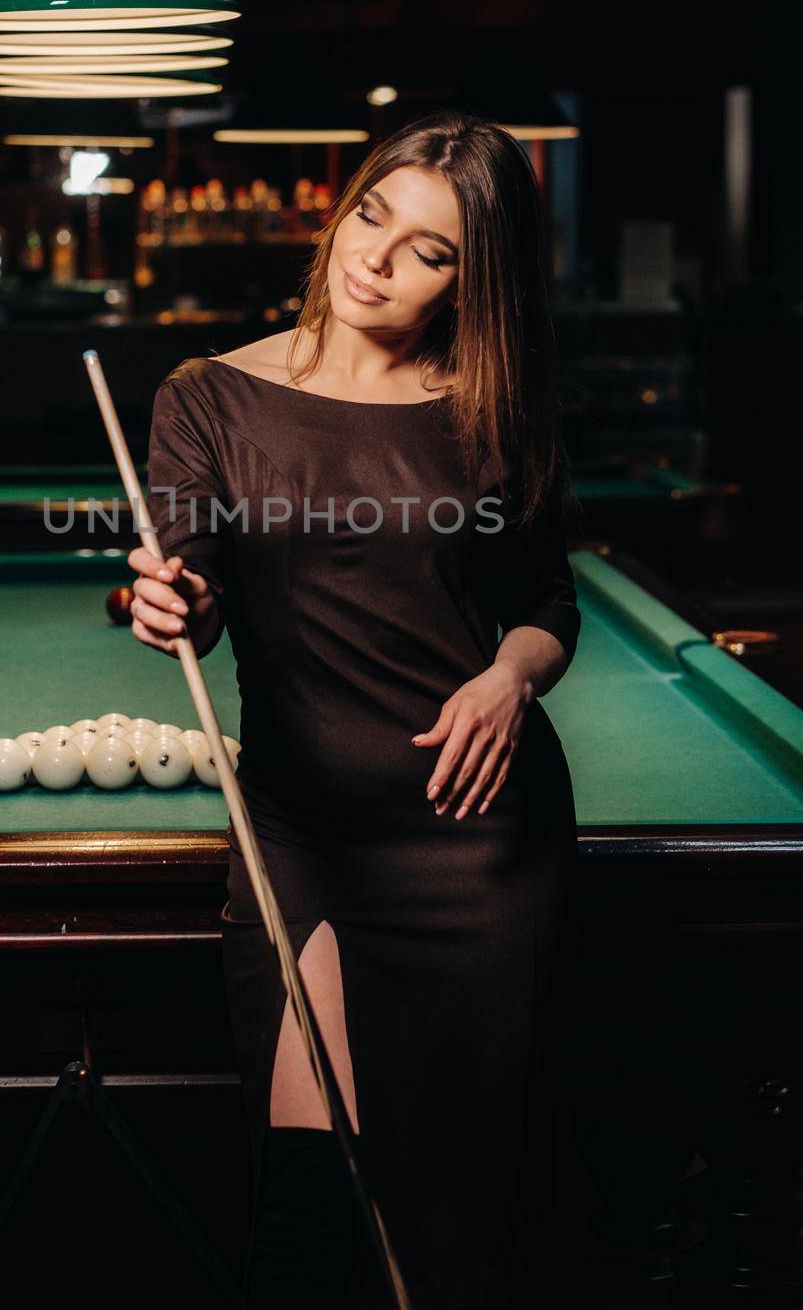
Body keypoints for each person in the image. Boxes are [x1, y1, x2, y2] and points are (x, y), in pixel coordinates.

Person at [130, 111, 584, 1309]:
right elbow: (190, 586)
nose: (374, 256)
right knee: (305, 1209)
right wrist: (165, 598)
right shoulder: (208, 396)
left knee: (460, 1228)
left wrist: (506, 677)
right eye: (372, 212)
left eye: (428, 249)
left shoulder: (486, 402)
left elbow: (545, 604)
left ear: (467, 281)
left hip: (478, 843)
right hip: (302, 828)